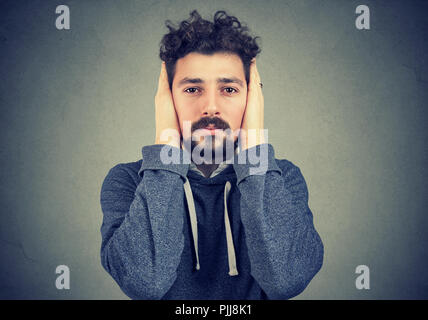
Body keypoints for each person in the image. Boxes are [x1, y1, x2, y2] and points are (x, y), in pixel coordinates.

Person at [99, 9, 324, 300]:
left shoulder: (280, 177)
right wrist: (166, 146)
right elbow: (145, 283)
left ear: (251, 99)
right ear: (167, 100)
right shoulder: (128, 181)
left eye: (229, 89)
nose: (211, 107)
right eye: (192, 89)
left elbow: (285, 282)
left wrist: (254, 147)